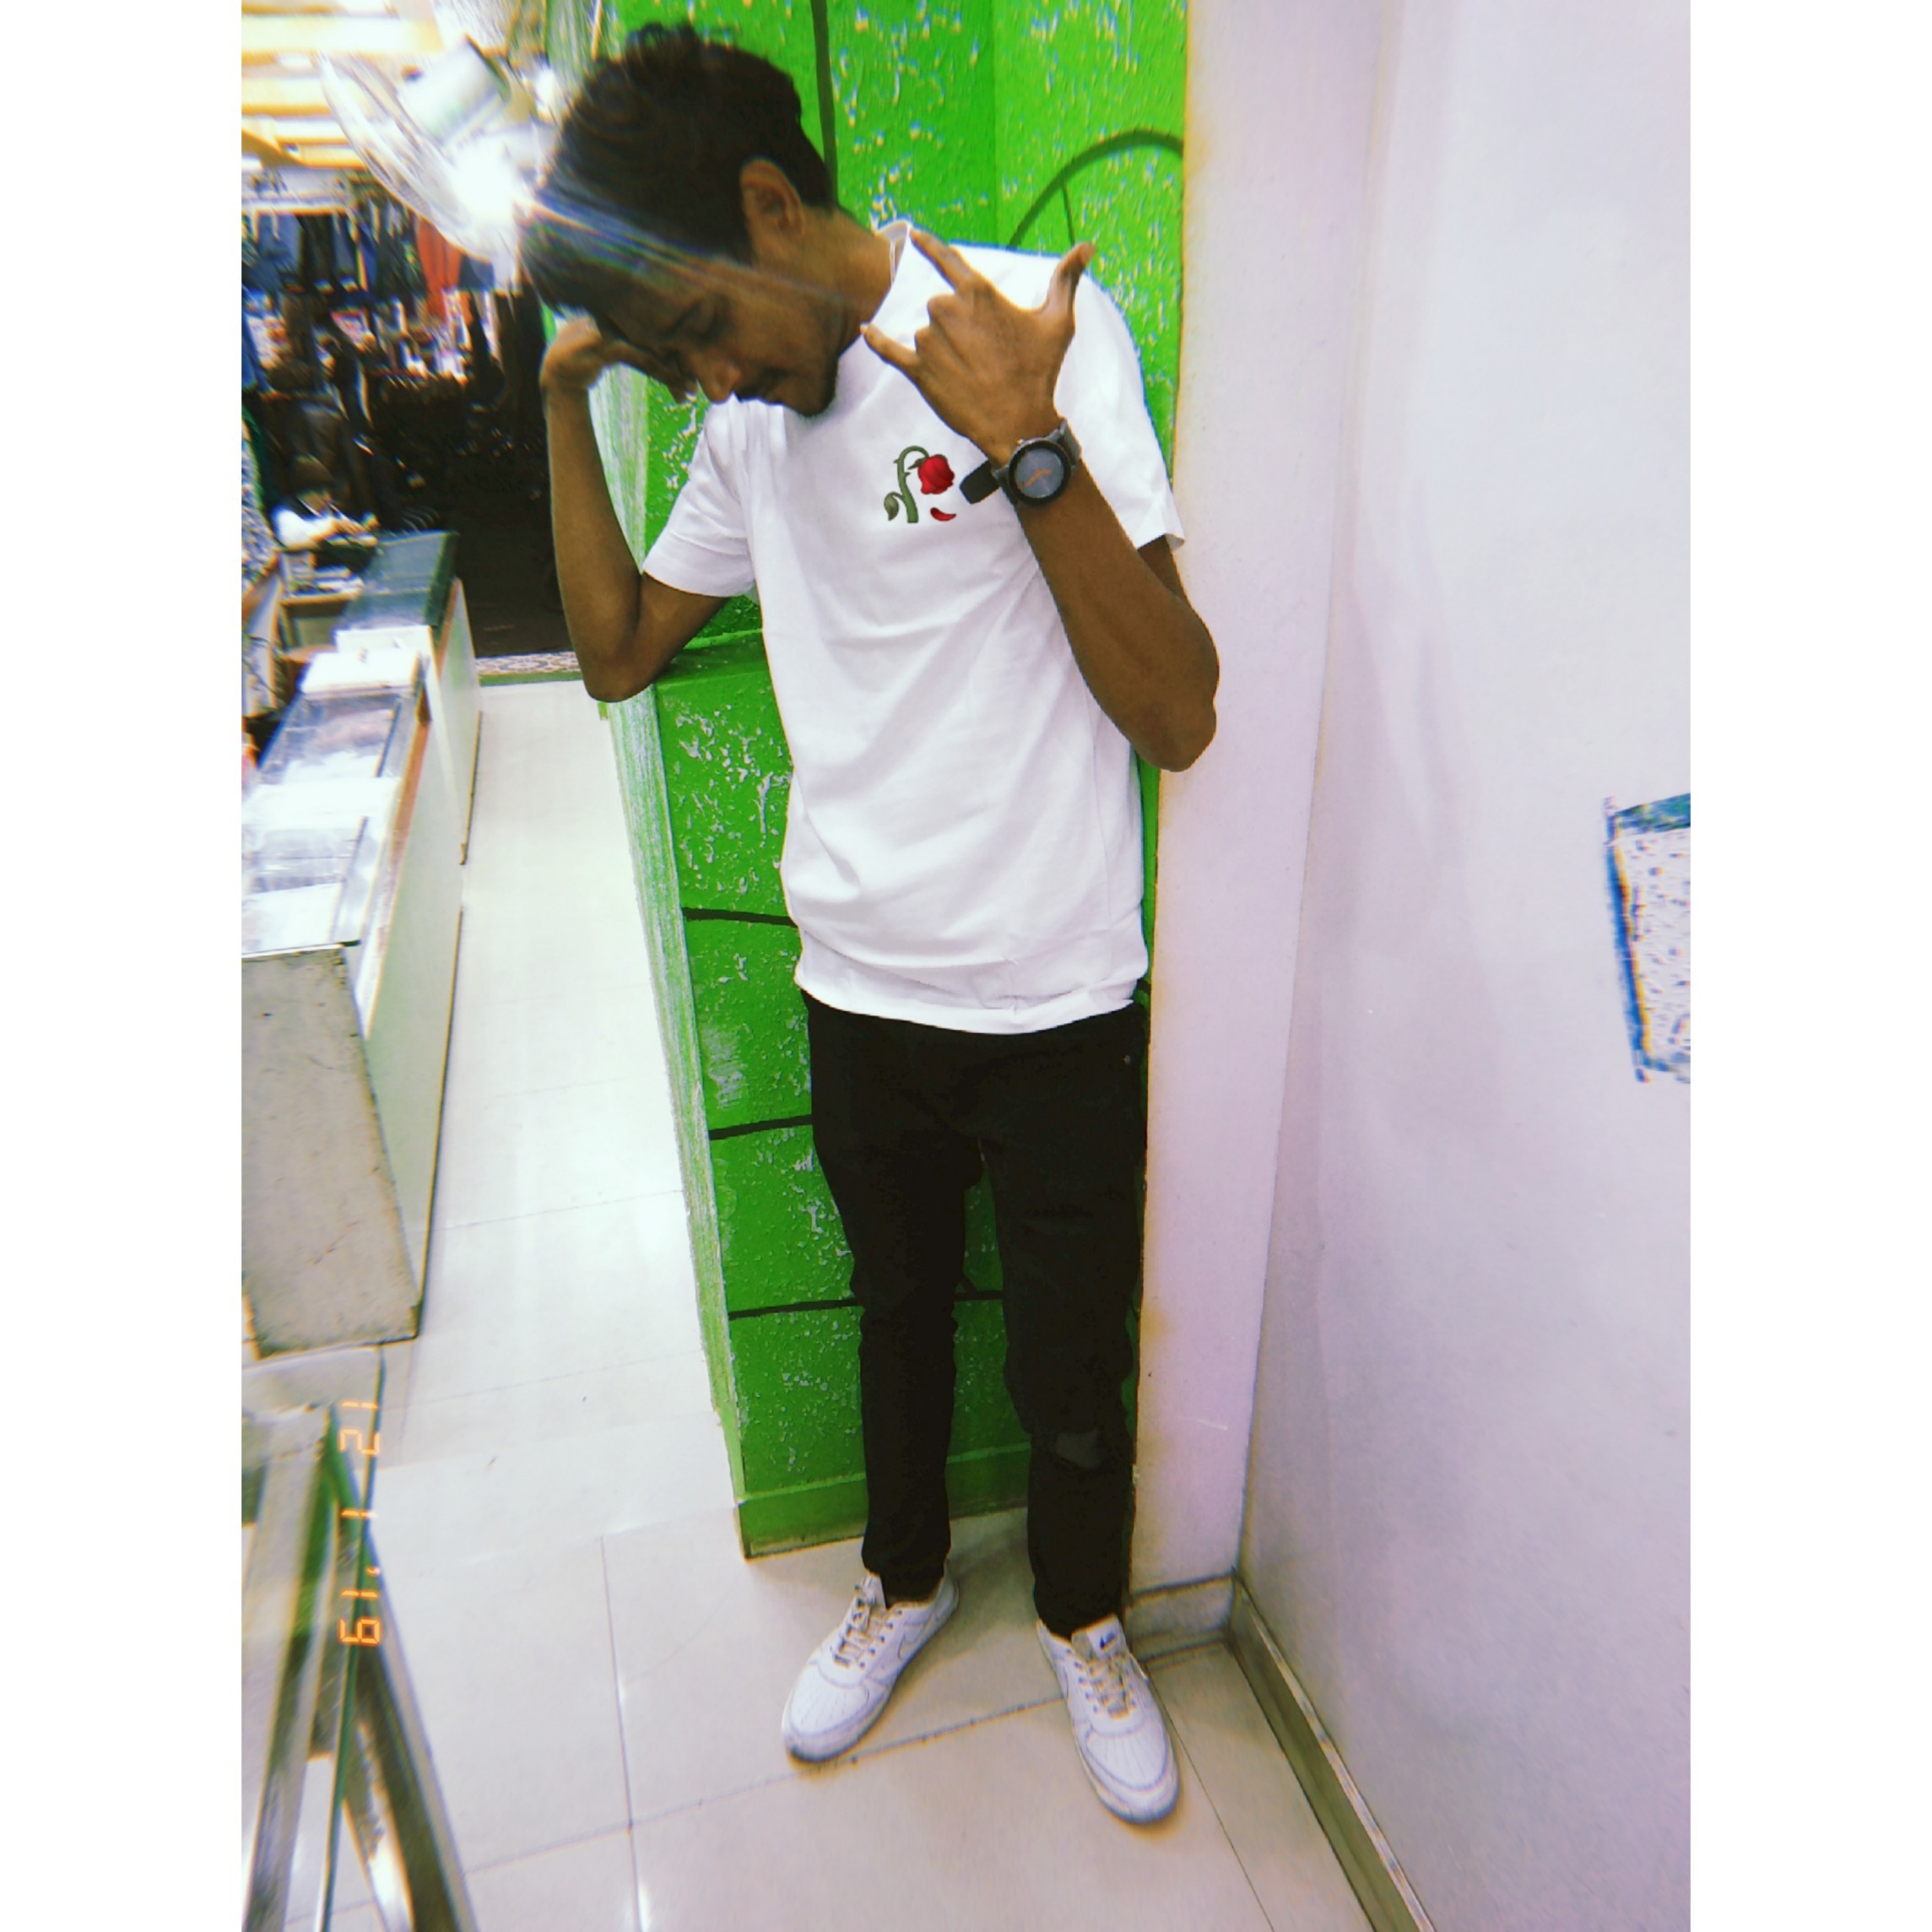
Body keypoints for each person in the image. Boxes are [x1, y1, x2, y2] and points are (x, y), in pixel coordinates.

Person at [523, 24, 1218, 1826]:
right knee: (896, 1314)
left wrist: (1026, 442)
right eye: (670, 360)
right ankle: (901, 1579)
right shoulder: (751, 424)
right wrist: (563, 398)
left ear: (769, 204)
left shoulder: (1025, 328)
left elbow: (1177, 709)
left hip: (1055, 984)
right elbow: (614, 652)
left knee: (1068, 1362)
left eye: (700, 330)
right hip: (857, 979)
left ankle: (1081, 1616)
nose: (705, 379)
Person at [272, 455, 377, 552]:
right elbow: (290, 541)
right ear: (313, 493)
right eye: (325, 492)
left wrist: (363, 527)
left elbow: (345, 525)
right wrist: (332, 528)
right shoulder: (284, 511)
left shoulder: (327, 510)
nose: (329, 498)